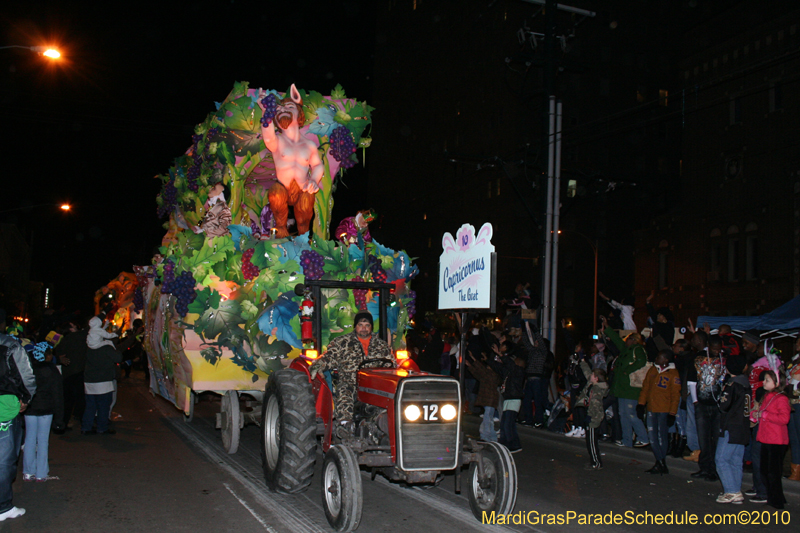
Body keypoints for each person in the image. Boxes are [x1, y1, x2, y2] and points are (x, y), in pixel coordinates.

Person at [309, 312, 395, 439]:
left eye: (367, 325)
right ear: (355, 326)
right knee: (345, 391)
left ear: (371, 327)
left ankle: (385, 426)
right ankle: (345, 426)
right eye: (360, 325)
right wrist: (318, 365)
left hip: (374, 386)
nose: (364, 328)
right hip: (351, 383)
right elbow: (329, 357)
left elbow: (391, 364)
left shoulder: (382, 346)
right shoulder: (342, 343)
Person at [259, 84, 324, 238]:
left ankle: (304, 241)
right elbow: (268, 136)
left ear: (299, 113)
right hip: (282, 189)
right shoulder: (278, 141)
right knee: (276, 196)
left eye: (288, 106)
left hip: (303, 190)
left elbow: (317, 164)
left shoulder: (309, 145)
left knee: (304, 223)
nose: (283, 110)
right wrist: (265, 112)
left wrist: (314, 179)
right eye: (279, 110)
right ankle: (281, 238)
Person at [0, 308, 37, 521]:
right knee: (4, 460)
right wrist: (25, 399)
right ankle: (3, 507)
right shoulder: (10, 344)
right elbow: (27, 377)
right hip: (4, 407)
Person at [601, 315, 650, 448]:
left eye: (628, 339)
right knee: (623, 415)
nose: (625, 341)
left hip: (631, 388)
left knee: (630, 414)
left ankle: (643, 438)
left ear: (634, 340)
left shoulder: (638, 349)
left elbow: (641, 361)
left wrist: (626, 370)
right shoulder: (626, 350)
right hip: (622, 388)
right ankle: (627, 440)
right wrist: (607, 328)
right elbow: (617, 341)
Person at [82, 324, 135, 435]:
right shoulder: (105, 347)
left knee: (90, 407)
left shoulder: (89, 348)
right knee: (103, 406)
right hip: (103, 382)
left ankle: (86, 427)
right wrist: (110, 344)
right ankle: (102, 427)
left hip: (89, 382)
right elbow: (118, 357)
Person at [23, 342, 63, 483]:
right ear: (47, 355)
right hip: (46, 409)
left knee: (30, 439)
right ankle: (41, 473)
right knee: (43, 440)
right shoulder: (52, 370)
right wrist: (60, 418)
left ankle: (28, 471)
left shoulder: (29, 368)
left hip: (30, 408)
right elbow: (57, 394)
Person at [714, 353, 750, 504]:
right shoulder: (746, 384)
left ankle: (731, 490)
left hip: (732, 425)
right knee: (735, 459)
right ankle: (735, 489)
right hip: (743, 426)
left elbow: (724, 405)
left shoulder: (733, 385)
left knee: (721, 459)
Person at [638, 349, 681, 474]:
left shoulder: (673, 374)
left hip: (664, 409)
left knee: (661, 437)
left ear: (666, 360)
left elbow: (675, 395)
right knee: (652, 436)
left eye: (659, 357)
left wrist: (672, 413)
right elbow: (645, 388)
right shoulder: (653, 370)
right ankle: (661, 462)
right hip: (651, 408)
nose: (656, 359)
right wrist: (641, 404)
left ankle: (660, 463)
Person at [753, 370, 790, 509]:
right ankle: (776, 496)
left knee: (773, 472)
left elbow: (784, 419)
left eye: (767, 380)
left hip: (777, 440)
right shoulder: (768, 396)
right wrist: (756, 415)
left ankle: (776, 500)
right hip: (767, 438)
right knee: (764, 471)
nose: (763, 382)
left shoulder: (781, 398)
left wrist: (765, 415)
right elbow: (764, 413)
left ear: (777, 382)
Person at [487, 349, 526, 453]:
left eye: (515, 361)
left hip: (514, 400)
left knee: (507, 424)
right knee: (506, 423)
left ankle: (511, 445)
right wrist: (488, 360)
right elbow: (499, 368)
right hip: (508, 399)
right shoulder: (510, 372)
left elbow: (509, 364)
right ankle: (509, 444)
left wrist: (501, 355)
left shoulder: (519, 371)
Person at [55, 321, 88, 429]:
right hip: (77, 373)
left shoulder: (64, 340)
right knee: (80, 400)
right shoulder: (77, 336)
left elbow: (56, 350)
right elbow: (90, 328)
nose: (76, 325)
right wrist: (104, 312)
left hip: (67, 374)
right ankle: (84, 425)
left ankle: (62, 424)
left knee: (68, 402)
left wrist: (59, 358)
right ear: (71, 329)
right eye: (74, 325)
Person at [465, 352, 499, 442]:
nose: (487, 367)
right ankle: (491, 437)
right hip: (488, 400)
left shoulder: (493, 375)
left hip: (490, 400)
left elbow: (481, 371)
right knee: (488, 418)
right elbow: (479, 375)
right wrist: (470, 366)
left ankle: (486, 436)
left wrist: (473, 359)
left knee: (487, 418)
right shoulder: (489, 375)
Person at [521, 321, 548, 428]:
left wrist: (535, 331)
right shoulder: (532, 351)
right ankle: (528, 420)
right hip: (529, 378)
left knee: (537, 401)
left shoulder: (543, 352)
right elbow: (526, 342)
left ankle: (539, 420)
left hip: (537, 378)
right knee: (527, 400)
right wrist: (524, 330)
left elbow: (541, 342)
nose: (536, 342)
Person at [583, 368, 609, 470]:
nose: (591, 376)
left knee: (592, 442)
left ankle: (596, 463)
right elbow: (587, 373)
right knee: (590, 441)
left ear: (596, 378)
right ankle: (594, 461)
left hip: (594, 417)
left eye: (593, 375)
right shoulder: (595, 386)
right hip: (593, 416)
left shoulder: (597, 389)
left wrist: (590, 416)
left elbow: (595, 404)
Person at [787, 336, 800, 481]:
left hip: (798, 402)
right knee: (794, 438)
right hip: (793, 402)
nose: (797, 344)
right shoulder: (795, 360)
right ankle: (796, 471)